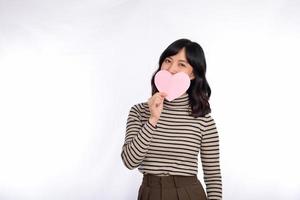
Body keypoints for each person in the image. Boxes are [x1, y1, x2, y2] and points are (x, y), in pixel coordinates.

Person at [121, 38, 222, 200]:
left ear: (193, 74)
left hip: (189, 194)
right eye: (168, 61)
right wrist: (153, 119)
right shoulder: (139, 112)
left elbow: (213, 175)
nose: (171, 69)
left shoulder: (203, 119)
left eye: (182, 64)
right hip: (149, 193)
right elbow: (129, 161)